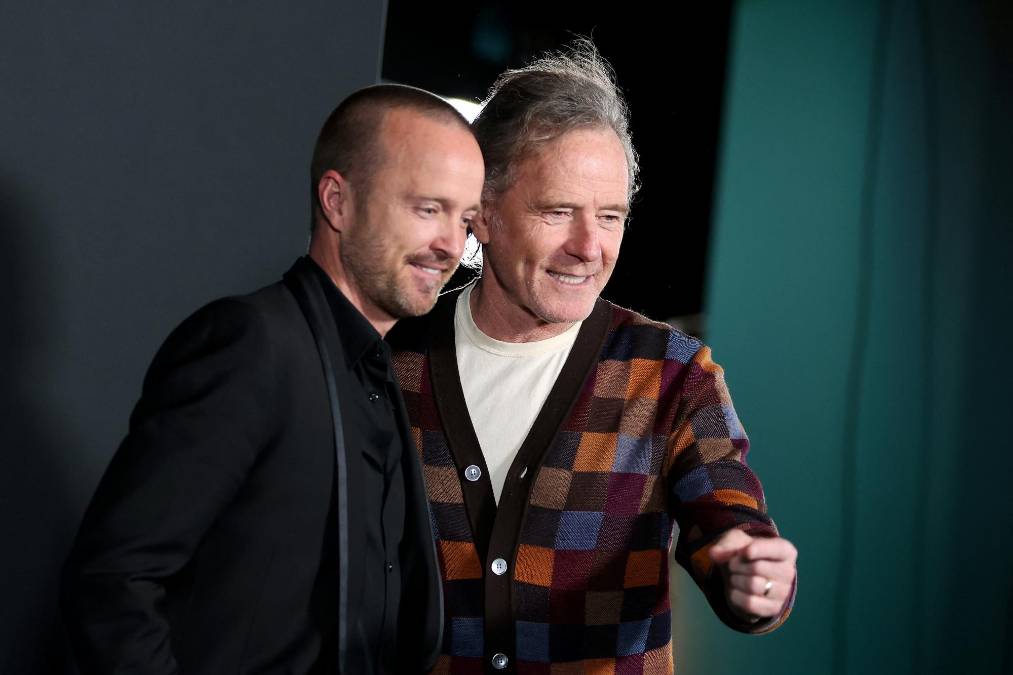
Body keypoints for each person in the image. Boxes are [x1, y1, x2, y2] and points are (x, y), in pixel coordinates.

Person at [387, 41, 797, 672]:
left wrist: (753, 577)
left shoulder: (671, 374)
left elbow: (727, 517)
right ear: (484, 215)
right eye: (558, 212)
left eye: (610, 217)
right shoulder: (393, 358)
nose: (589, 246)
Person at [61, 84, 485, 675]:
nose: (450, 245)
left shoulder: (385, 372)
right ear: (337, 202)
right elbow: (114, 580)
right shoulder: (251, 345)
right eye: (427, 209)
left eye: (465, 220)